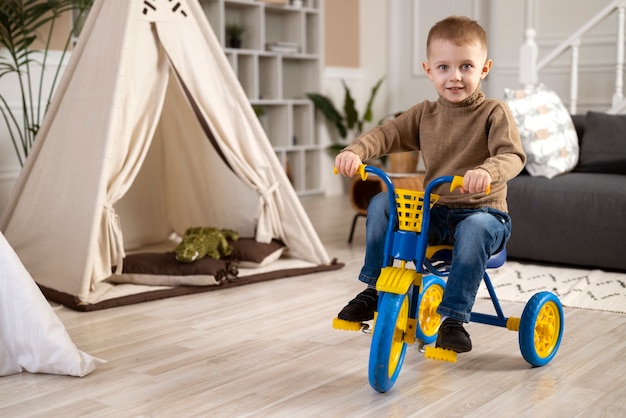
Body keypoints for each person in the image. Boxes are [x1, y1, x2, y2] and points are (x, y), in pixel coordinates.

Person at [334, 16, 526, 353]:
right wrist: (356, 150)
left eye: (466, 66)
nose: (455, 76)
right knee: (382, 204)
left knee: (476, 227)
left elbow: (513, 156)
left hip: (484, 215)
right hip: (437, 213)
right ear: (428, 70)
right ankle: (374, 290)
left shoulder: (494, 112)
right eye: (444, 67)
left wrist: (487, 171)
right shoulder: (424, 114)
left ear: (484, 69)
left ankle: (453, 319)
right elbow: (387, 134)